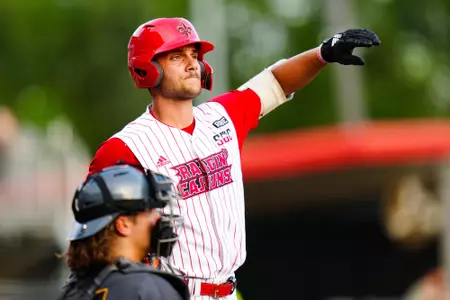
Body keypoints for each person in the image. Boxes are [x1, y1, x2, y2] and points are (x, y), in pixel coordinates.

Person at [88, 17, 381, 299]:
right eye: (176, 56)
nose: (192, 63)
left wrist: (323, 53)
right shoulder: (126, 147)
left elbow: (275, 82)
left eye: (194, 53)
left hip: (228, 290)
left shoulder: (222, 118)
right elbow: (91, 231)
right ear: (146, 68)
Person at [58, 164, 189, 300]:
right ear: (123, 224)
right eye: (150, 211)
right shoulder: (148, 288)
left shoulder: (72, 290)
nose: (157, 217)